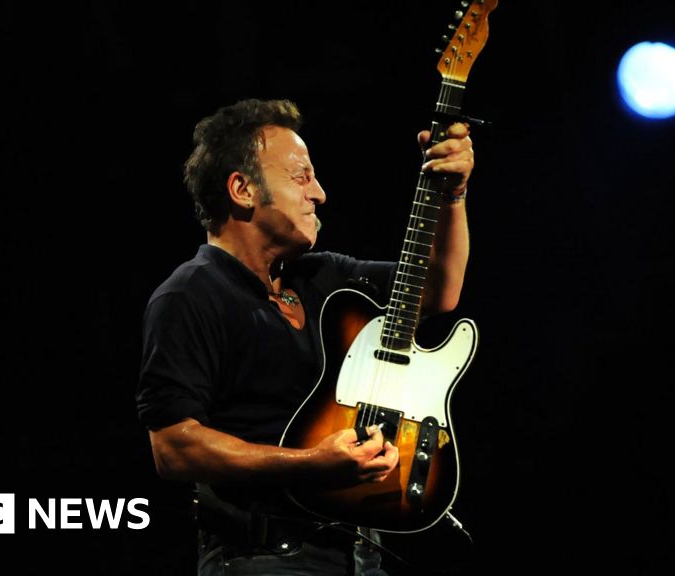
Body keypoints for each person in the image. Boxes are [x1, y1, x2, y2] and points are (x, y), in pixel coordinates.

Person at [136, 98, 473, 575]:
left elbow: (437, 291)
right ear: (242, 189)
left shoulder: (323, 276)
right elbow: (173, 447)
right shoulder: (189, 295)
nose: (319, 193)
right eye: (301, 177)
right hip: (261, 558)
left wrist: (453, 194)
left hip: (359, 555)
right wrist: (310, 462)